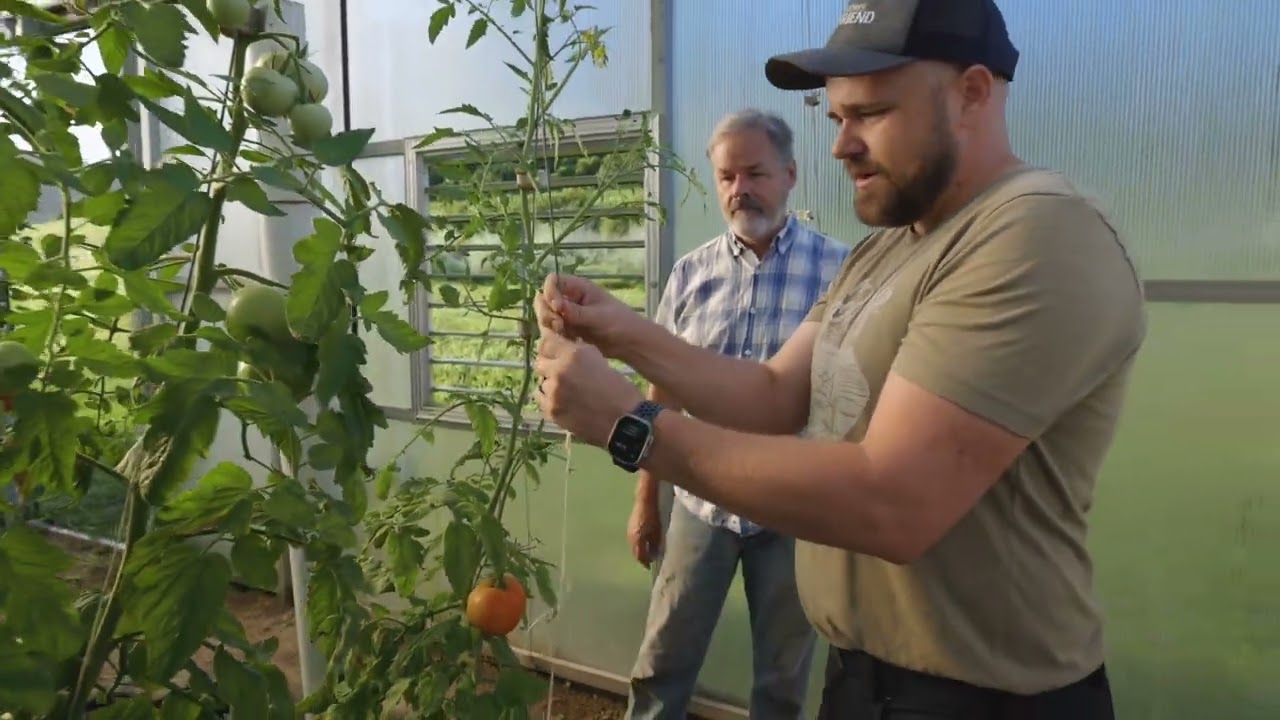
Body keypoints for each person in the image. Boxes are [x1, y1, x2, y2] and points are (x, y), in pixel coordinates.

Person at [534, 0, 1146, 717]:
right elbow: (770, 394)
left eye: (873, 113)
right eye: (836, 119)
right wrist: (621, 331)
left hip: (980, 697)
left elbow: (891, 501)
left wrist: (629, 424)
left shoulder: (1034, 234)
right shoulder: (890, 246)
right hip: (864, 680)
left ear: (973, 93)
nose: (841, 145)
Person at [624, 109, 849, 720]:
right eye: (726, 176)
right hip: (701, 505)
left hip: (793, 511)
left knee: (782, 678)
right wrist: (648, 500)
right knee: (662, 660)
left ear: (791, 174)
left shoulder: (841, 272)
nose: (739, 189)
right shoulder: (691, 275)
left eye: (755, 172)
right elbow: (661, 391)